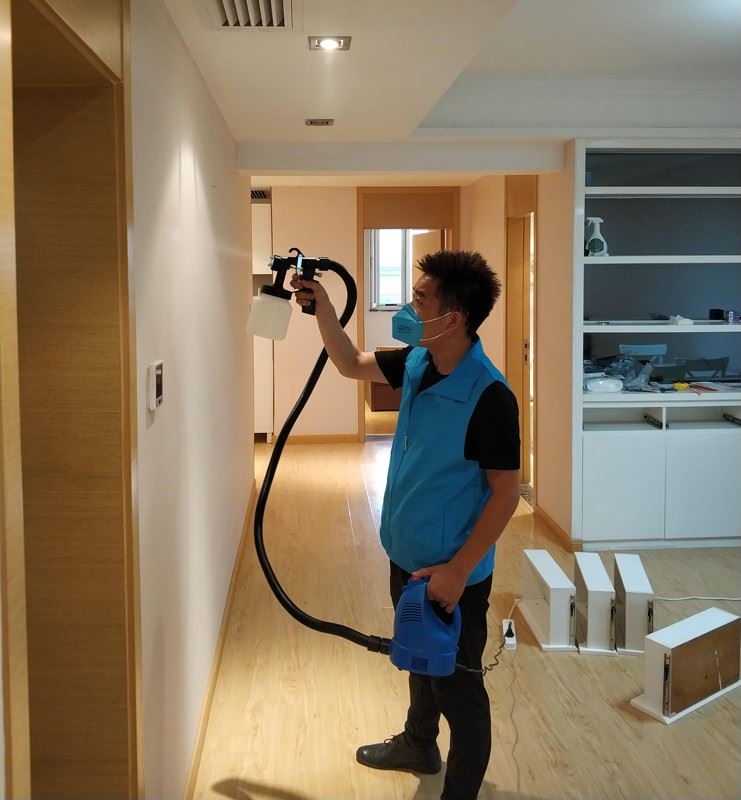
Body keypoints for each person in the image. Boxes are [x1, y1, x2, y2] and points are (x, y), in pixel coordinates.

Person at [290, 249, 520, 800]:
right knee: (419, 659)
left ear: (453, 318)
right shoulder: (419, 361)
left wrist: (458, 572)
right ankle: (419, 743)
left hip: (451, 574)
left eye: (420, 299)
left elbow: (506, 494)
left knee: (459, 692)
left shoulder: (489, 396)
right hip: (408, 554)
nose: (408, 307)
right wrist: (324, 308)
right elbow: (350, 363)